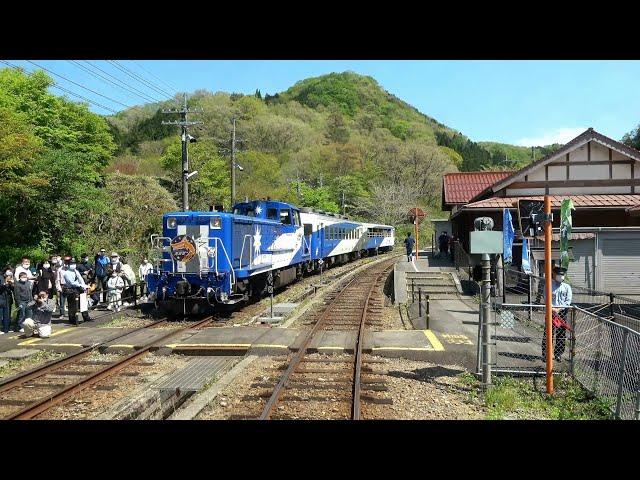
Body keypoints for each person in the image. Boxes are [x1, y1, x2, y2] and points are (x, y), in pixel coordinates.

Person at [542, 265, 572, 362]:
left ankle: (558, 354)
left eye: (562, 275)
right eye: (559, 274)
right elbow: (546, 297)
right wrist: (552, 308)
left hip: (562, 312)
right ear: (554, 275)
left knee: (561, 334)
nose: (561, 276)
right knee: (548, 332)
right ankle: (546, 354)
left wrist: (559, 309)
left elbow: (568, 300)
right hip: (551, 311)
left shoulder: (567, 287)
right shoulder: (548, 285)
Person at [62, 259, 91, 326]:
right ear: (68, 265)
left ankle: (86, 317)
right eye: (71, 264)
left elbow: (80, 278)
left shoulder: (76, 271)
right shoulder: (66, 273)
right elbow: (72, 282)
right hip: (71, 290)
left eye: (74, 263)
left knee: (83, 303)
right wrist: (81, 285)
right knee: (73, 306)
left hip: (79, 289)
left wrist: (84, 285)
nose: (73, 265)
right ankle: (73, 320)